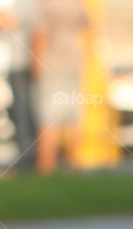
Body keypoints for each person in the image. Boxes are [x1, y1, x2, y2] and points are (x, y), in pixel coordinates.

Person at [31, 0, 91, 174]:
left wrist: (35, 64)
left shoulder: (46, 6)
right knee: (74, 118)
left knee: (48, 120)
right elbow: (88, 35)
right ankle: (73, 167)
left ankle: (46, 168)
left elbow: (39, 35)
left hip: (51, 65)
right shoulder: (78, 6)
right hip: (74, 65)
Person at [0, 0, 39, 169]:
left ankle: (28, 159)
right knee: (17, 113)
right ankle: (24, 156)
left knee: (24, 115)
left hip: (22, 65)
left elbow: (10, 21)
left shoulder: (29, 4)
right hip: (15, 64)